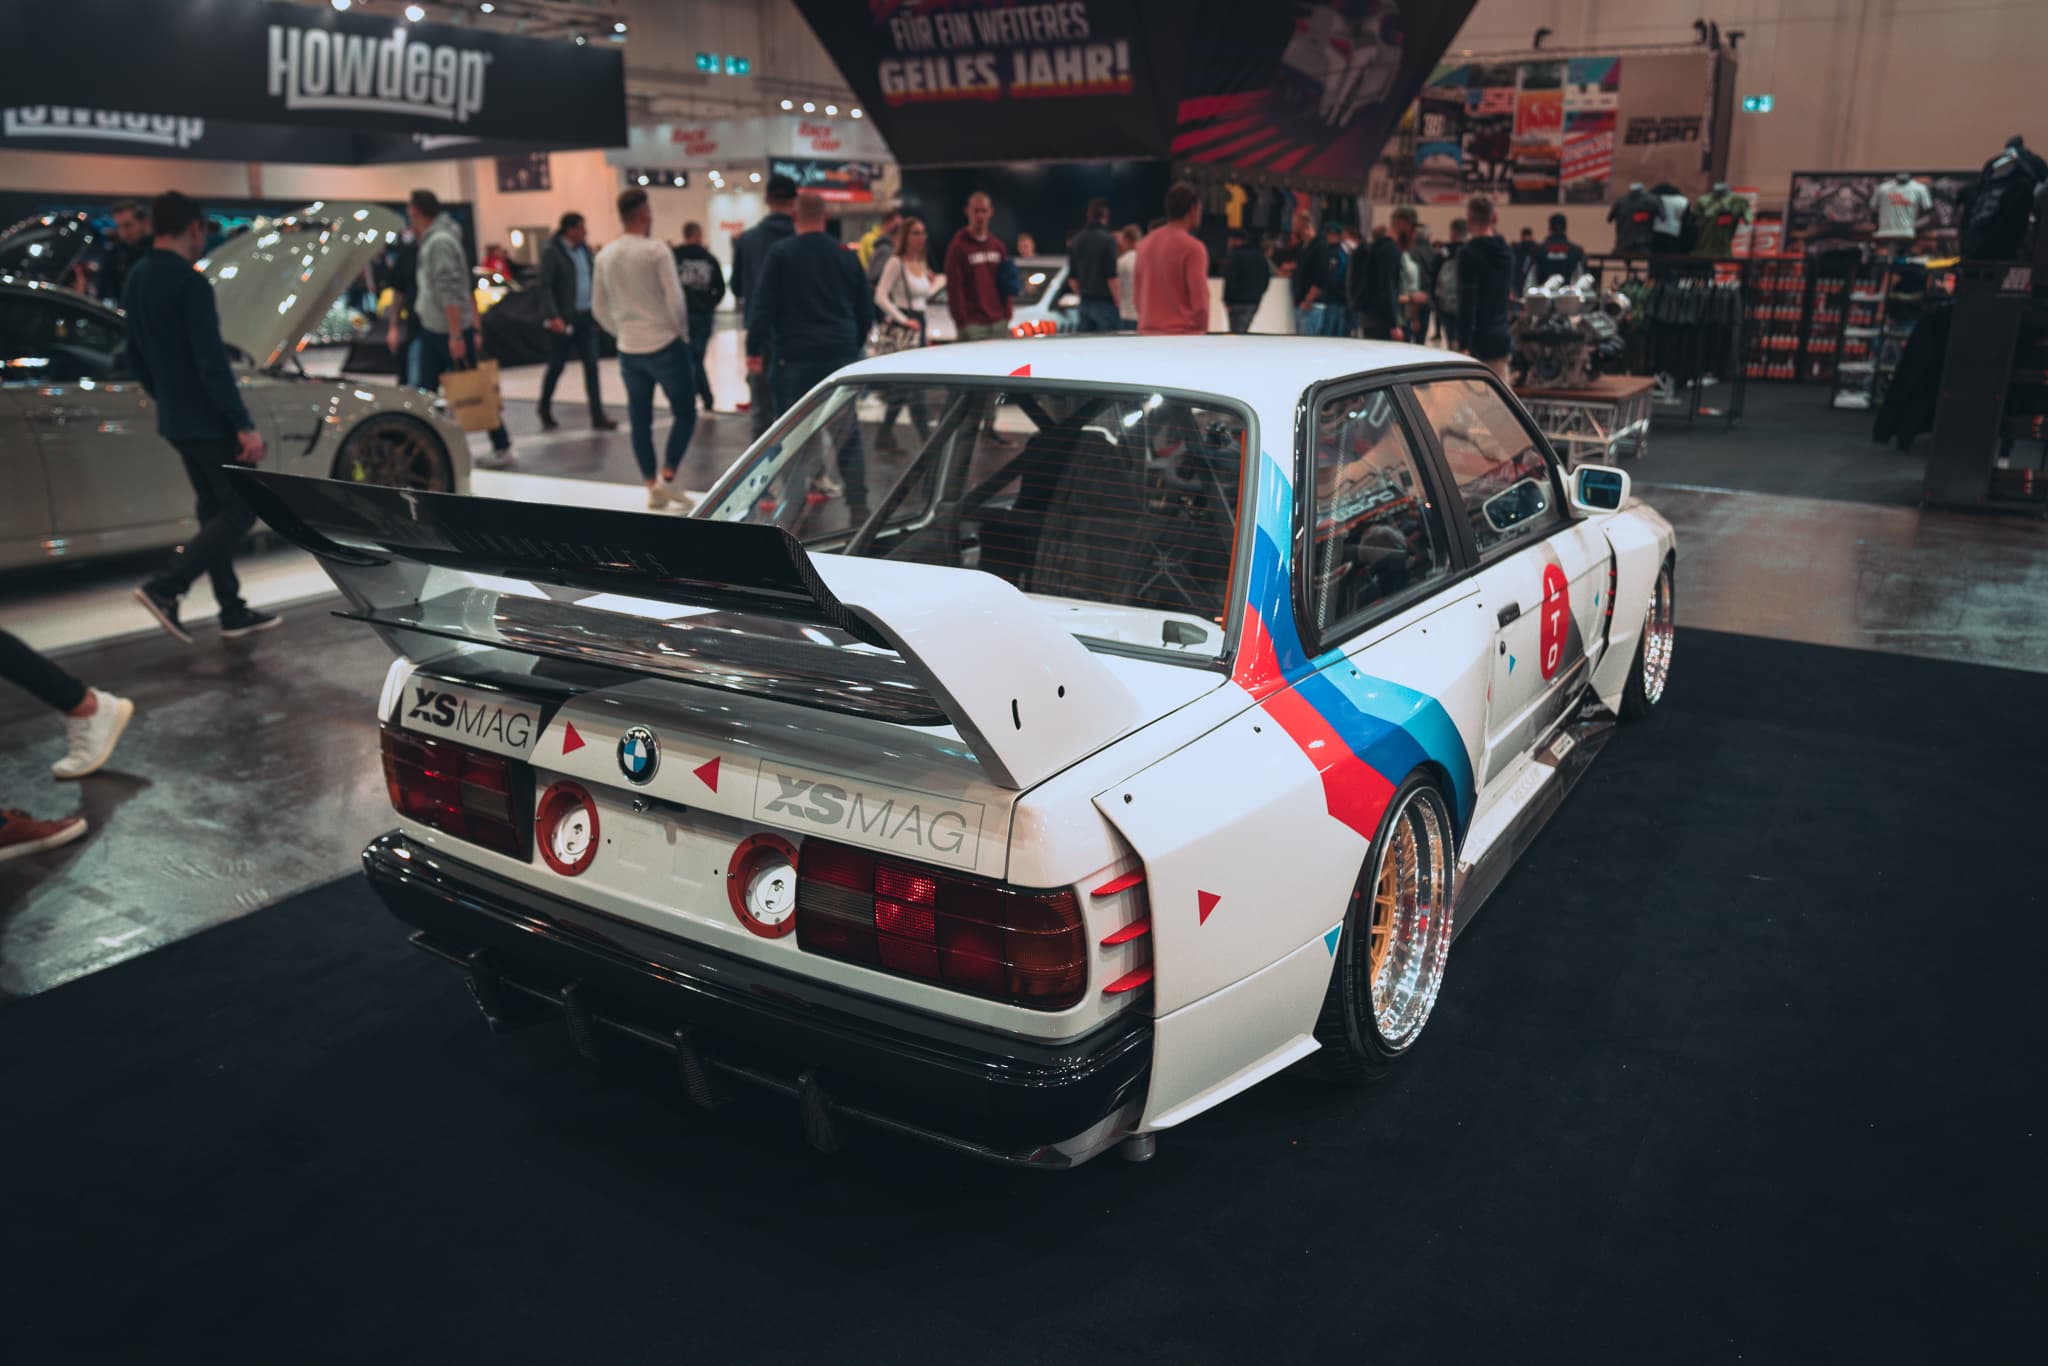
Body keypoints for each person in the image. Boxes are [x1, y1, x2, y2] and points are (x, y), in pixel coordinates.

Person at [123, 190, 277, 644]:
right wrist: (242, 424)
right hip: (209, 419)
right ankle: (166, 586)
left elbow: (134, 357)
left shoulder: (136, 278)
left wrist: (167, 397)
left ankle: (232, 610)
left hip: (175, 419)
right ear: (193, 228)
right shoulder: (189, 283)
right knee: (241, 510)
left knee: (214, 511)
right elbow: (212, 363)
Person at [748, 192, 875, 512]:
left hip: (794, 359)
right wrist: (851, 345)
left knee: (794, 438)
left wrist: (753, 349)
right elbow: (865, 310)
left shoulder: (781, 254)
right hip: (838, 357)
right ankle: (859, 507)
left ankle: (793, 508)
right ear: (825, 216)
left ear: (795, 216)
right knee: (846, 434)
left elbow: (762, 307)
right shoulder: (845, 255)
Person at [592, 187, 697, 510]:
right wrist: (681, 332)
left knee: (640, 420)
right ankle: (668, 476)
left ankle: (651, 485)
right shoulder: (656, 251)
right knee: (685, 412)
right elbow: (675, 299)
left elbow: (598, 307)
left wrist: (620, 331)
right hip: (665, 343)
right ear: (644, 214)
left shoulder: (605, 255)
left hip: (629, 348)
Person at [404, 189, 515, 470]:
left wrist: (456, 333)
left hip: (445, 331)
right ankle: (422, 448)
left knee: (470, 388)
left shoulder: (439, 242)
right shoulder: (441, 237)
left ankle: (500, 444)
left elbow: (450, 290)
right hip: (438, 329)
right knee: (428, 392)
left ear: (416, 211)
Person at [535, 212, 615, 433]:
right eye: (581, 228)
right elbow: (545, 286)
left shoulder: (584, 251)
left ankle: (597, 414)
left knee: (592, 366)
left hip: (585, 317)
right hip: (564, 319)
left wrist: (599, 314)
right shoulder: (553, 252)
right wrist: (553, 316)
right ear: (569, 230)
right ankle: (544, 406)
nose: (585, 232)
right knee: (556, 365)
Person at [732, 175, 797, 436]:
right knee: (797, 410)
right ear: (794, 201)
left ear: (767, 198)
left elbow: (737, 287)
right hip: (795, 335)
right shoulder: (800, 239)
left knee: (761, 410)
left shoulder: (747, 241)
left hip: (759, 338)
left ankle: (761, 463)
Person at [872, 215, 941, 449]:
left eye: (923, 233)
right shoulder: (896, 262)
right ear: (905, 236)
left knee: (906, 386)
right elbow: (880, 296)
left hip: (920, 324)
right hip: (905, 326)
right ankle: (926, 439)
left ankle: (885, 434)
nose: (921, 237)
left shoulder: (921, 263)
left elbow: (923, 297)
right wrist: (903, 320)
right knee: (913, 385)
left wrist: (932, 282)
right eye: (916, 233)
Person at [1134, 181, 1211, 336]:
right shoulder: (1193, 248)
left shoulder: (1144, 245)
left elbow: (1137, 297)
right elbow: (1200, 302)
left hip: (1147, 334)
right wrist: (1200, 332)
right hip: (1181, 336)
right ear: (1193, 209)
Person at [1455, 196, 1515, 380]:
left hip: (1477, 342)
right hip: (1502, 337)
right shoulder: (1506, 253)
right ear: (1494, 218)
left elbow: (1467, 301)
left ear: (1468, 219)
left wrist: (1463, 343)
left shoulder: (1468, 254)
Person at [943, 191, 1012, 343]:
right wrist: (962, 321)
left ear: (991, 212)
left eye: (984, 211)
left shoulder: (998, 246)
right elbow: (954, 287)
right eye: (976, 211)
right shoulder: (958, 247)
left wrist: (1007, 313)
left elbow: (1006, 283)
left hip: (998, 322)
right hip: (973, 324)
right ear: (968, 211)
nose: (980, 216)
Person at [673, 222, 727, 414]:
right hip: (702, 316)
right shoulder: (709, 258)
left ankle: (693, 397)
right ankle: (705, 397)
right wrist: (709, 304)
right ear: (698, 235)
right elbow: (720, 288)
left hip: (683, 315)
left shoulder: (675, 257)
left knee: (688, 359)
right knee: (697, 358)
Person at [1351, 206, 1419, 341]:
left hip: (1371, 317)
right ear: (1402, 223)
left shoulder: (1378, 246)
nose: (1413, 234)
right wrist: (1394, 324)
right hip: (1382, 322)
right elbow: (1387, 288)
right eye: (1412, 228)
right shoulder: (1390, 250)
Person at [1067, 198, 1120, 334]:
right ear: (1106, 216)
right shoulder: (1108, 240)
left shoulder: (1076, 240)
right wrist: (1118, 301)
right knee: (1110, 343)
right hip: (1104, 302)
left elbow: (1072, 279)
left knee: (1085, 344)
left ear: (1089, 216)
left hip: (1084, 302)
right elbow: (1111, 276)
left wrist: (1082, 294)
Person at [85, 199, 151, 303]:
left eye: (128, 225)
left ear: (143, 223)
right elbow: (101, 292)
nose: (123, 233)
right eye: (119, 226)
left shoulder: (154, 252)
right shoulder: (114, 254)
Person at [1221, 227, 1271, 333]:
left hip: (1236, 302)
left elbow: (1230, 279)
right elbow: (1267, 277)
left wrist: (1227, 300)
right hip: (1253, 301)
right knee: (1242, 331)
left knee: (1236, 332)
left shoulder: (1235, 255)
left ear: (1237, 240)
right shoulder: (1259, 255)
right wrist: (1258, 294)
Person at [1529, 212, 1586, 290]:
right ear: (1565, 228)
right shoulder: (1576, 251)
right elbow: (1581, 280)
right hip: (1568, 296)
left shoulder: (1538, 251)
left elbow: (1529, 280)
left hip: (1542, 295)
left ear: (1550, 228)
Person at [1433, 218, 1468, 344]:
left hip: (1446, 304)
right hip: (1466, 302)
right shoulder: (1470, 250)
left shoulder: (1444, 251)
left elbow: (1434, 274)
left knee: (1451, 335)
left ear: (1452, 232)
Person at [856, 207, 900, 275]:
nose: (899, 228)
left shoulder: (894, 240)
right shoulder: (868, 238)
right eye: (896, 224)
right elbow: (861, 260)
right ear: (887, 222)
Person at [1115, 224, 1142, 329]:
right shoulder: (1146, 259)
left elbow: (1116, 286)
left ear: (1126, 240)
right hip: (1144, 315)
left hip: (1127, 314)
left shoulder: (1122, 262)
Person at [1510, 226, 1540, 299]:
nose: (1527, 239)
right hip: (1519, 280)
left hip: (1530, 280)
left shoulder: (1535, 249)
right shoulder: (1517, 249)